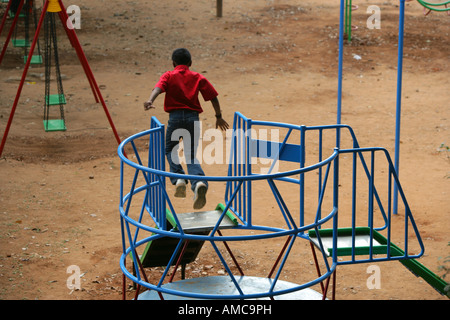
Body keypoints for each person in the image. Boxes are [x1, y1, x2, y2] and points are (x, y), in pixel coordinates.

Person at [144, 48, 229, 210]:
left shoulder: (168, 75)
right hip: (192, 119)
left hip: (175, 119)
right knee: (190, 154)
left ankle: (179, 179)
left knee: (170, 149)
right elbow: (213, 97)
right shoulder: (197, 77)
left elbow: (159, 87)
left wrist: (150, 100)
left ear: (173, 63)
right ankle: (199, 183)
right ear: (190, 63)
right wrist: (218, 116)